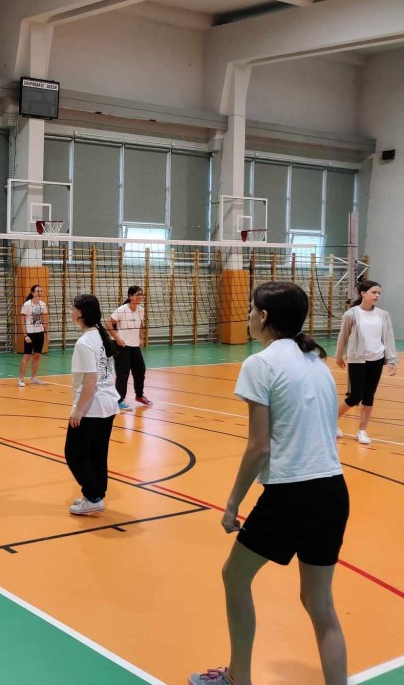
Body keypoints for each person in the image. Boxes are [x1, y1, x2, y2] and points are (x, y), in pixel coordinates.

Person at [189, 282, 348, 685]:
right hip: (333, 490)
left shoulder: (260, 364)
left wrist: (231, 504)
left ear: (264, 317)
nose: (247, 316)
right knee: (320, 603)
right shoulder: (317, 361)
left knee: (234, 576)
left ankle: (237, 677)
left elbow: (259, 447)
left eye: (250, 310)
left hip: (292, 493)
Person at [66, 294, 120, 515]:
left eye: (72, 308)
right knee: (98, 453)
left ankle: (93, 496)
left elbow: (90, 379)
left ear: (81, 314)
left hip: (92, 407)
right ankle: (95, 495)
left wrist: (78, 410)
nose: (70, 311)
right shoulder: (101, 335)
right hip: (109, 404)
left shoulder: (85, 342)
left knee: (74, 454)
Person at [334, 279, 397, 445]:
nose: (377, 295)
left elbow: (389, 337)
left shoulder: (383, 315)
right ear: (363, 293)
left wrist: (391, 360)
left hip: (377, 359)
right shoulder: (351, 314)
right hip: (358, 359)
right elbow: (343, 336)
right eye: (374, 292)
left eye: (379, 293)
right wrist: (339, 356)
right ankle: (331, 421)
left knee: (369, 395)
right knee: (355, 396)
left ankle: (362, 430)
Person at [106, 286, 152, 409]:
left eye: (141, 294)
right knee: (123, 374)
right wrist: (117, 339)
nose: (140, 297)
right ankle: (119, 400)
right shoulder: (122, 310)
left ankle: (139, 396)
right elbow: (108, 323)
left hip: (134, 346)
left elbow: (141, 325)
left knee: (140, 370)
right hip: (122, 346)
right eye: (138, 294)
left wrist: (141, 338)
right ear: (130, 296)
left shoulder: (141, 310)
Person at [19, 284, 48, 387]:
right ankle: (21, 379)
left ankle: (34, 378)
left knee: (37, 356)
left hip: (40, 333)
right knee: (26, 356)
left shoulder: (43, 304)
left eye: (41, 291)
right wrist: (25, 335)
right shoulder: (27, 305)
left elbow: (45, 321)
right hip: (30, 334)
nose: (39, 293)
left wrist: (47, 334)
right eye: (37, 291)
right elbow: (22, 321)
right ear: (32, 293)